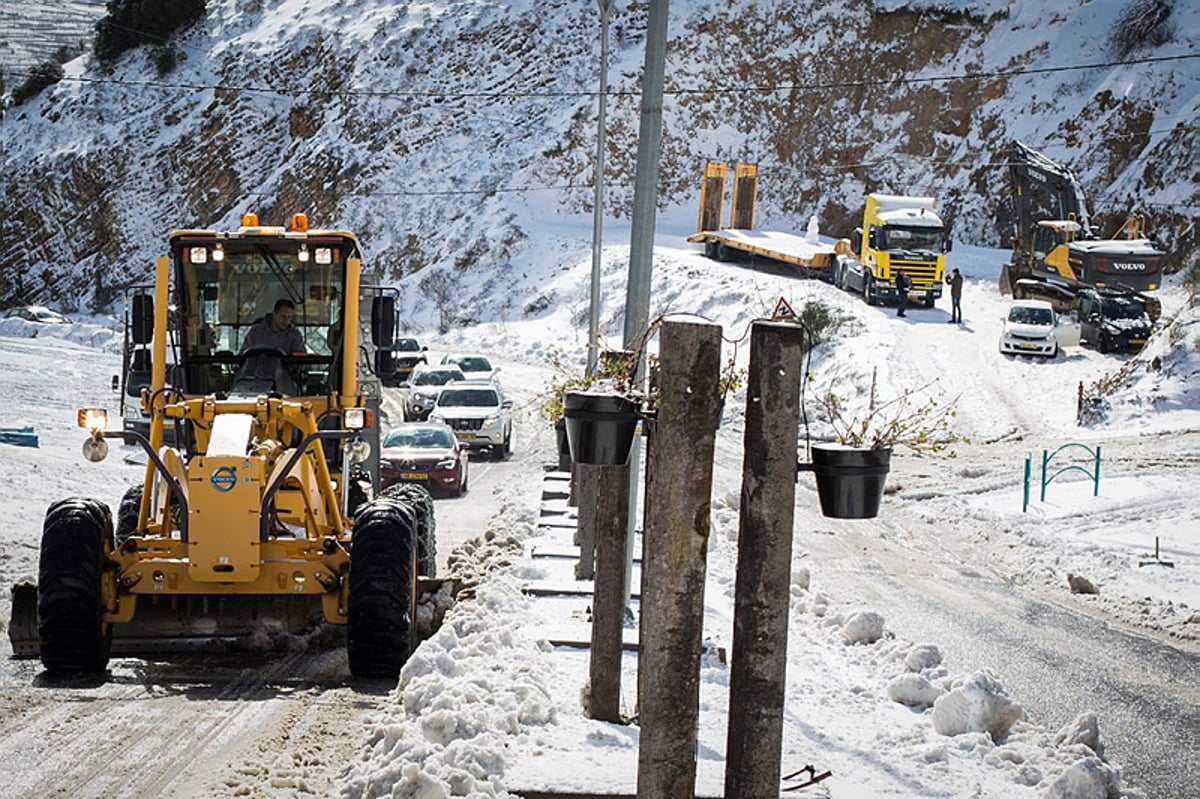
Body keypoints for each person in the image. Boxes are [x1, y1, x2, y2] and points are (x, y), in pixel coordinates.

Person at [241, 298, 306, 354]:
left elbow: (303, 361)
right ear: (274, 314)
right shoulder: (255, 332)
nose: (285, 320)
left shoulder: (295, 336)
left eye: (289, 317)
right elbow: (242, 356)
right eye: (283, 316)